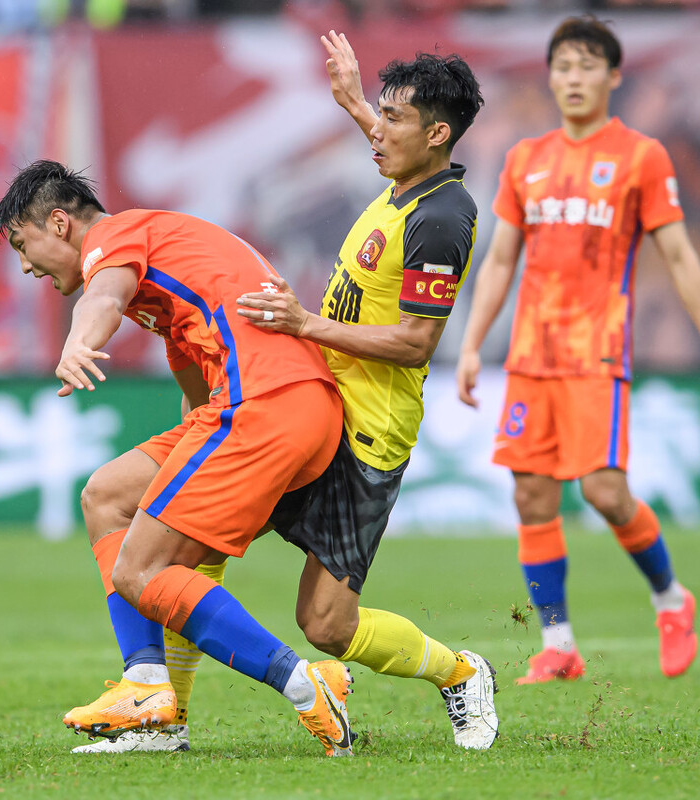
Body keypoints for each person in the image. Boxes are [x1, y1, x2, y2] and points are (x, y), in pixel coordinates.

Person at [0, 159, 357, 757]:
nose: (26, 264)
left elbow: (102, 299)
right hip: (279, 406)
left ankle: (305, 682)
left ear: (59, 223)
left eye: (22, 244)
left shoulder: (115, 240)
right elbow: (190, 371)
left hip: (265, 402)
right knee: (106, 496)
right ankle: (149, 696)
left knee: (140, 570)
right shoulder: (156, 262)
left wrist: (78, 341)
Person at [454, 15, 700, 684]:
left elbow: (678, 251)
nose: (574, 78)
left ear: (614, 76)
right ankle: (559, 645)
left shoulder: (641, 156)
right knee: (531, 497)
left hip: (597, 354)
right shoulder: (527, 159)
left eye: (588, 66)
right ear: (550, 77)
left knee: (606, 493)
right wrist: (471, 345)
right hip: (530, 355)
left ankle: (672, 599)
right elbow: (500, 259)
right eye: (563, 66)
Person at [234, 32, 498, 750]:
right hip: (311, 410)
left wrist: (304, 324)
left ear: (437, 134)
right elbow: (389, 139)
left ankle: (460, 672)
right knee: (193, 542)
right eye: (377, 116)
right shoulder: (408, 179)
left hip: (367, 434)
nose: (377, 134)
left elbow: (417, 342)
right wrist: (353, 100)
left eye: (394, 119)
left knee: (325, 625)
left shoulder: (441, 219)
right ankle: (161, 712)